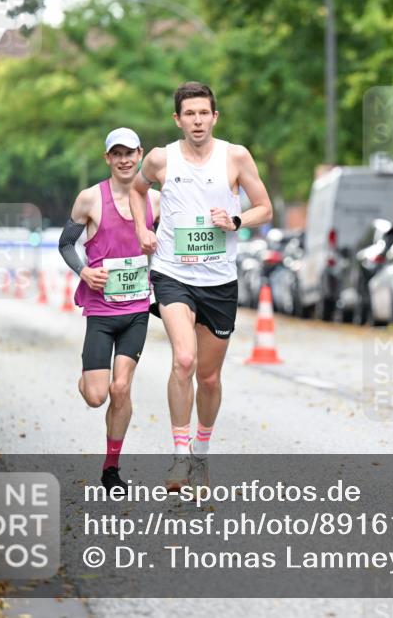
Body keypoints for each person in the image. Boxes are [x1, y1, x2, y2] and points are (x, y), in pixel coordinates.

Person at [129, 81, 272, 491]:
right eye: (189, 114)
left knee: (208, 377)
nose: (196, 120)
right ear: (177, 119)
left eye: (203, 113)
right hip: (173, 274)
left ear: (214, 116)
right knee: (184, 360)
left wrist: (237, 220)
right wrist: (143, 228)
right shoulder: (160, 159)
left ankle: (201, 454)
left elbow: (265, 207)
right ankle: (178, 458)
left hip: (219, 280)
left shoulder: (235, 156)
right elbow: (139, 191)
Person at [59, 127, 161, 492]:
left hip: (136, 310)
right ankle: (87, 376)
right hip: (101, 312)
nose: (124, 160)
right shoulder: (89, 199)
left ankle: (112, 469)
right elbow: (66, 244)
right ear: (107, 158)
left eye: (130, 153)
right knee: (96, 396)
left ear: (140, 154)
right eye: (116, 154)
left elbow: (163, 250)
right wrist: (84, 270)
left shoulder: (156, 201)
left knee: (121, 389)